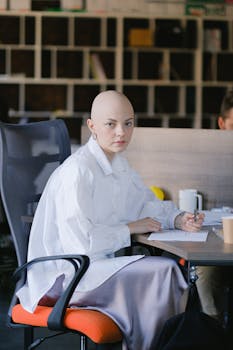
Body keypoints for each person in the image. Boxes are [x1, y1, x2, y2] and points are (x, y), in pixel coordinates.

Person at [17, 90, 204, 350]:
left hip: (96, 267)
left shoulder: (118, 163)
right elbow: (80, 244)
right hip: (66, 275)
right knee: (164, 272)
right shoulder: (78, 171)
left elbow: (144, 204)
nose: (121, 132)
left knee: (166, 271)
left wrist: (178, 218)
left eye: (128, 123)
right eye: (111, 124)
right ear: (92, 126)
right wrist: (129, 228)